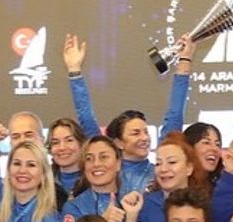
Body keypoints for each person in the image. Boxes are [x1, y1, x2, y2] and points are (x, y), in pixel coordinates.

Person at [64, 32, 193, 195]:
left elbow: (175, 114)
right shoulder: (109, 171)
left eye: (145, 132)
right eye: (135, 133)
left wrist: (185, 60)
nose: (144, 138)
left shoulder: (160, 172)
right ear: (119, 143)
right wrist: (74, 69)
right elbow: (86, 116)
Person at [121, 133, 209, 222]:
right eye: (158, 163)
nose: (163, 169)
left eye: (172, 162)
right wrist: (131, 217)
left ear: (189, 168)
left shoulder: (202, 204)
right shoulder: (146, 204)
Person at [61, 135, 128, 222]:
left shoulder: (133, 201)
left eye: (104, 157)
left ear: (118, 164)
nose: (96, 164)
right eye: (89, 159)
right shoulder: (74, 208)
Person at [47, 117, 89, 194]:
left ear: (81, 143)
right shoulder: (43, 181)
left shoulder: (94, 178)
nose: (62, 147)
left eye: (69, 140)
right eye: (55, 142)